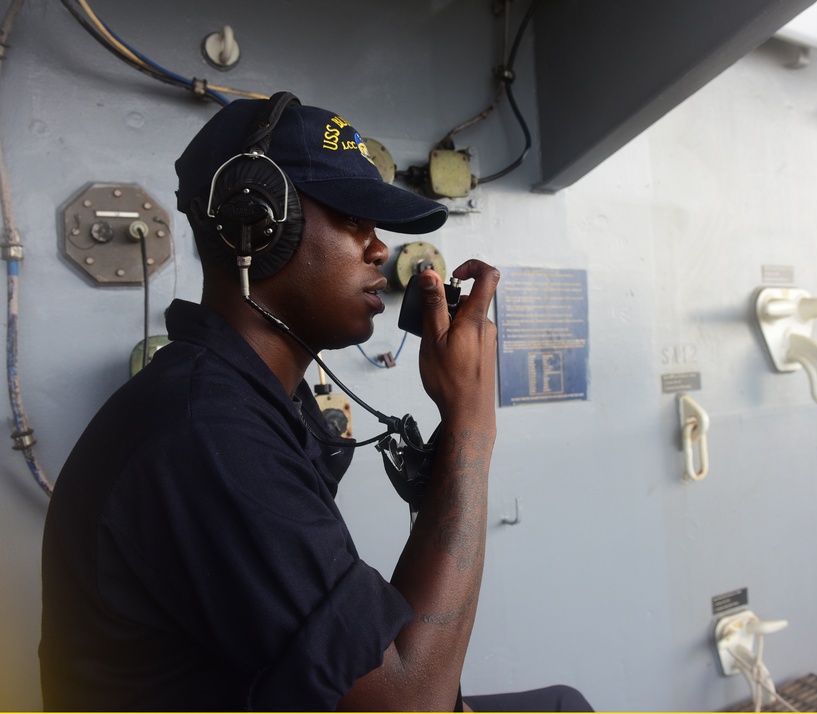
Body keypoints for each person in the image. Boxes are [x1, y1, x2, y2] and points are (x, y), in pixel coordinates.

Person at [39, 93, 592, 712]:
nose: (380, 249)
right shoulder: (207, 437)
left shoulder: (250, 400)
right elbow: (407, 703)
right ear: (255, 223)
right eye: (355, 220)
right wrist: (470, 425)